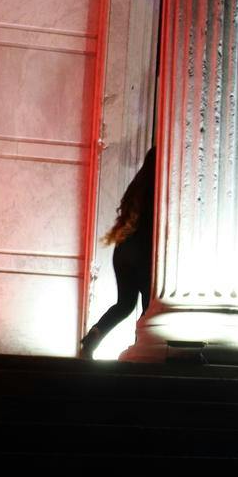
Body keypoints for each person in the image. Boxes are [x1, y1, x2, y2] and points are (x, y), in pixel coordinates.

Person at [79, 147, 155, 358]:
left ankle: (94, 335)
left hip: (123, 249)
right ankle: (146, 349)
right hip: (144, 251)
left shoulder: (137, 186)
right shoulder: (159, 188)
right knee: (149, 305)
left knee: (125, 304)